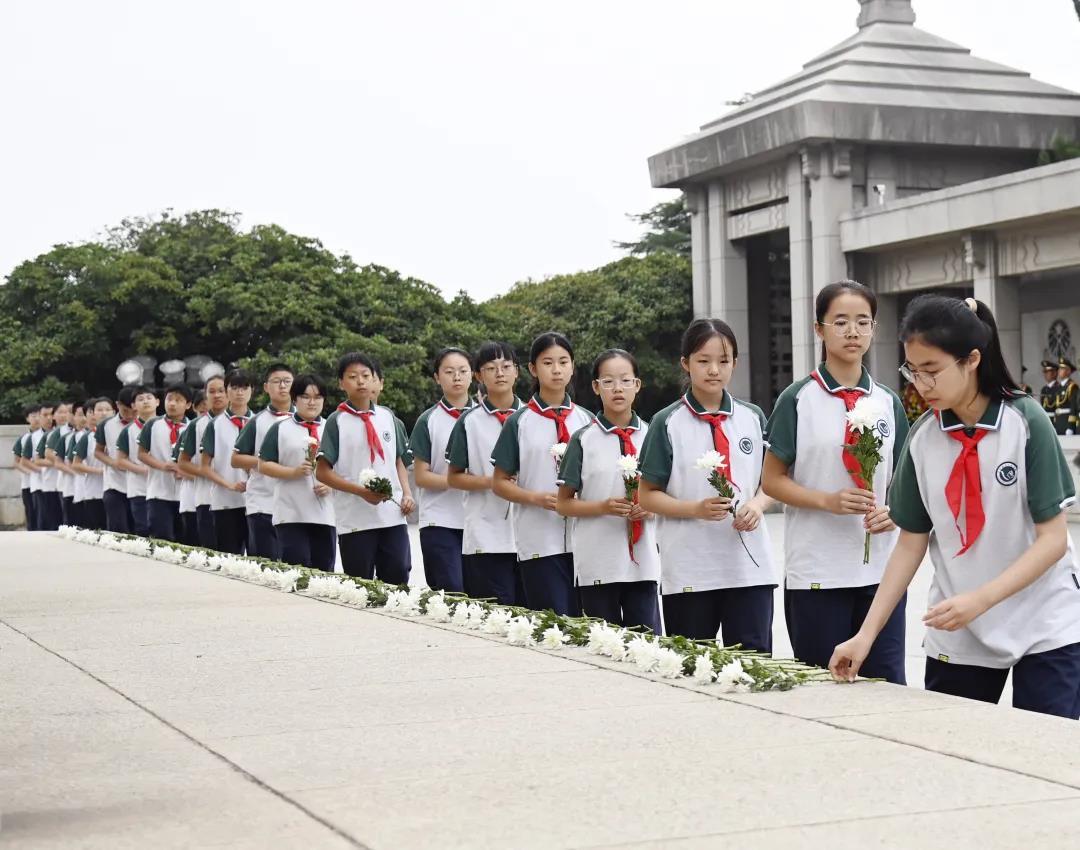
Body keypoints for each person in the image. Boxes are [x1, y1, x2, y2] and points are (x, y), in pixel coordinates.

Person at [830, 296, 1080, 719]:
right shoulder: (924, 438)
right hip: (958, 626)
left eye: (931, 371)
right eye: (912, 371)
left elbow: (1053, 540)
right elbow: (910, 544)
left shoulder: (1025, 422)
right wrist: (865, 635)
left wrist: (981, 599)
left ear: (972, 360)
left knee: (1045, 752)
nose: (920, 385)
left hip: (1044, 624)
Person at [762, 280, 909, 683]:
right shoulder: (796, 399)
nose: (852, 331)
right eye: (840, 321)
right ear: (819, 329)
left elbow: (907, 481)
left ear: (874, 329)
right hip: (817, 572)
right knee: (822, 685)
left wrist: (894, 511)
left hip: (881, 572)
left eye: (863, 321)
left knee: (888, 686)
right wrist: (826, 501)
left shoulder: (887, 402)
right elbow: (772, 481)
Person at [638, 319, 776, 648]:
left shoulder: (753, 417)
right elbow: (646, 495)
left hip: (750, 568)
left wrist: (757, 505)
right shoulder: (667, 422)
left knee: (753, 667)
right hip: (690, 570)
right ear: (685, 363)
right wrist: (694, 509)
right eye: (703, 360)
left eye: (724, 361)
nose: (714, 369)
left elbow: (772, 481)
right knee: (692, 667)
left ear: (735, 364)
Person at [556, 349, 661, 633]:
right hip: (598, 563)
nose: (618, 388)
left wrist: (651, 507)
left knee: (649, 647)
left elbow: (668, 494)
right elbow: (563, 503)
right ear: (595, 387)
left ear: (637, 385)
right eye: (608, 381)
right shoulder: (583, 440)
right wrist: (603, 507)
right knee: (604, 645)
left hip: (644, 565)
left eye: (626, 380)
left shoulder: (653, 435)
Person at [491, 332, 594, 616]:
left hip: (586, 539)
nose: (557, 369)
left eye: (563, 362)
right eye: (548, 363)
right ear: (533, 369)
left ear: (573, 366)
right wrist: (536, 497)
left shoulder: (587, 421)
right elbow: (500, 483)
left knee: (588, 625)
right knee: (553, 622)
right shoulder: (519, 422)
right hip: (539, 539)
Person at [316, 352, 415, 582]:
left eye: (365, 375)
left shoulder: (389, 417)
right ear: (342, 383)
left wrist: (407, 493)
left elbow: (399, 460)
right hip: (355, 520)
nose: (360, 381)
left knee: (399, 573)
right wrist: (361, 492)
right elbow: (322, 471)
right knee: (360, 583)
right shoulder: (336, 421)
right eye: (352, 376)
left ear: (374, 380)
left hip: (392, 514)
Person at [446, 341, 524, 605]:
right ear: (478, 376)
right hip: (485, 535)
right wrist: (493, 482)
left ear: (518, 372)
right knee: (493, 615)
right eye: (491, 368)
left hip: (530, 535)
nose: (499, 373)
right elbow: (453, 476)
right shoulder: (469, 422)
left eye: (506, 366)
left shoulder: (532, 418)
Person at [410, 347, 474, 592]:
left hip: (479, 522)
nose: (456, 377)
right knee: (451, 592)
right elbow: (422, 476)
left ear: (473, 375)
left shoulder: (487, 418)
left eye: (462, 371)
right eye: (449, 372)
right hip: (440, 521)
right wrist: (460, 480)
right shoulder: (429, 420)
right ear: (437, 377)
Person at [258, 374, 336, 571]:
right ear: (295, 399)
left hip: (325, 514)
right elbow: (263, 464)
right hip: (291, 513)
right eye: (306, 397)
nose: (312, 402)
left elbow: (343, 468)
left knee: (324, 572)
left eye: (318, 397)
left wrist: (330, 484)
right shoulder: (281, 428)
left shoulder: (331, 428)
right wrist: (293, 472)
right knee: (297, 570)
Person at [232, 363, 295, 560]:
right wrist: (266, 463)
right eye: (276, 382)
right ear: (266, 387)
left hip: (297, 505)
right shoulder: (257, 421)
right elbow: (236, 459)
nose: (282, 386)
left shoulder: (307, 420)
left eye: (287, 382)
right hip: (262, 503)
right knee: (265, 564)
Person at [200, 370, 254, 554]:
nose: (240, 392)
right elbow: (205, 466)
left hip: (257, 501)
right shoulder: (215, 424)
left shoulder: (259, 422)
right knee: (229, 557)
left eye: (245, 387)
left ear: (252, 390)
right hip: (225, 502)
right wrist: (229, 485)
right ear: (227, 391)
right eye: (234, 387)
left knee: (261, 559)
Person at [138, 384, 194, 541]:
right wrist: (163, 466)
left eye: (178, 400)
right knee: (162, 538)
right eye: (169, 399)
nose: (172, 404)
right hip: (158, 492)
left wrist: (184, 471)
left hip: (186, 495)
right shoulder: (153, 424)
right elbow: (142, 454)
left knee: (186, 541)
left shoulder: (192, 427)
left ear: (188, 405)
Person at [178, 375, 227, 548]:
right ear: (206, 395)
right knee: (211, 552)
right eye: (212, 391)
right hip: (206, 498)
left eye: (221, 390)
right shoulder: (196, 425)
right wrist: (209, 473)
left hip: (238, 500)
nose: (217, 395)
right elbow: (182, 462)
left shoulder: (245, 422)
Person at [116, 386, 158, 537]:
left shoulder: (168, 426)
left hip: (164, 488)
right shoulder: (128, 431)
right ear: (133, 406)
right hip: (139, 488)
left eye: (149, 398)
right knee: (143, 529)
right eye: (140, 399)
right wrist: (142, 469)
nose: (145, 402)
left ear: (158, 402)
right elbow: (120, 461)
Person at [95, 387, 137, 533]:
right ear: (117, 405)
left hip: (139, 484)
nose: (131, 416)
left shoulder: (147, 425)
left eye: (134, 411)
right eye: (126, 411)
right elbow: (98, 452)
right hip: (114, 484)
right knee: (118, 529)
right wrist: (113, 463)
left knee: (139, 529)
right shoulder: (106, 425)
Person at [72, 397, 114, 531]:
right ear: (93, 414)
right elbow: (76, 464)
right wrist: (98, 471)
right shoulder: (87, 437)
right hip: (95, 492)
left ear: (114, 412)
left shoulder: (120, 433)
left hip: (117, 491)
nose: (104, 413)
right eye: (99, 410)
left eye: (107, 410)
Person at [35, 401, 67, 530]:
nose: (64, 415)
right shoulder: (50, 435)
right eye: (60, 412)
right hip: (50, 483)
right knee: (52, 521)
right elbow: (38, 460)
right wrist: (59, 462)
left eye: (66, 412)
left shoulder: (76, 433)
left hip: (68, 483)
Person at [14, 405, 40, 530]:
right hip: (28, 483)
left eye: (38, 415)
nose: (36, 419)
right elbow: (17, 462)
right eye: (33, 416)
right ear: (27, 419)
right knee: (31, 513)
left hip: (42, 483)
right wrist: (30, 472)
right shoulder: (23, 439)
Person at [63, 402, 88, 528]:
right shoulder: (74, 437)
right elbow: (70, 462)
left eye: (86, 414)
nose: (84, 418)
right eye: (80, 415)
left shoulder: (98, 434)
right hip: (80, 485)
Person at [1053, 358, 1079, 436]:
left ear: (1068, 371)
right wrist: (1054, 425)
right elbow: (1056, 408)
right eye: (1059, 368)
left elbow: (1073, 408)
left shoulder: (1072, 387)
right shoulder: (1059, 386)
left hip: (1067, 423)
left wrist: (1070, 427)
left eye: (1062, 368)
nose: (1059, 371)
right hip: (1058, 423)